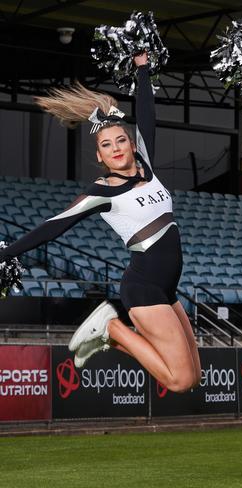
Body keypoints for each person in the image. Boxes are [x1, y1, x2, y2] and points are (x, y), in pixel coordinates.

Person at [0, 53, 201, 392]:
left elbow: (148, 118)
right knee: (179, 381)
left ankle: (109, 336)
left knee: (195, 376)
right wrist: (5, 255)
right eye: (107, 145)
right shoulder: (102, 191)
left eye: (121, 140)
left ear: (131, 143)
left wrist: (142, 68)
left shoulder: (147, 167)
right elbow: (53, 225)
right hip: (144, 288)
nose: (116, 148)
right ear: (100, 156)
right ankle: (112, 328)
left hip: (167, 289)